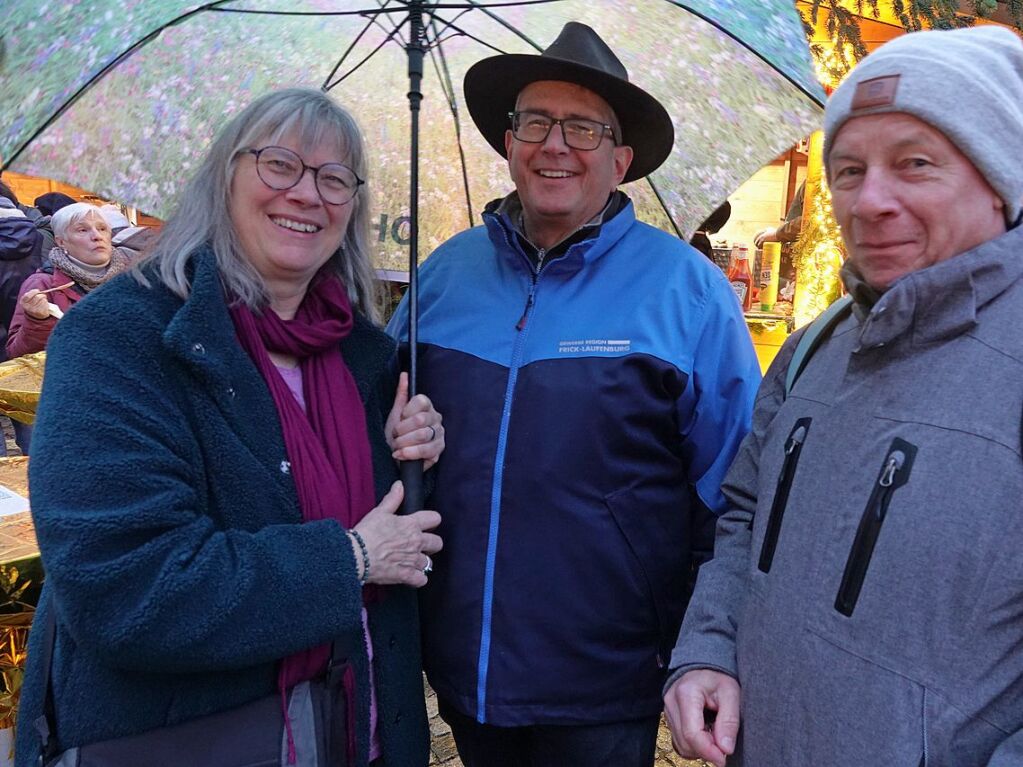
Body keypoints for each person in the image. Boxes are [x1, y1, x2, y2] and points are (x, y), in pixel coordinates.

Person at [15, 88, 445, 767]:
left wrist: (416, 455)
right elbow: (128, 589)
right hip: (182, 739)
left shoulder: (368, 360)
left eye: (335, 178)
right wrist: (351, 557)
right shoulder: (120, 339)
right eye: (280, 164)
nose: (307, 194)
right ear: (224, 178)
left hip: (357, 731)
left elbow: (402, 548)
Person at [388, 22, 760, 767]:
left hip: (608, 673)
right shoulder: (443, 277)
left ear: (619, 158)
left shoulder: (685, 293)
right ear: (508, 142)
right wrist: (395, 431)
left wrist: (705, 642)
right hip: (463, 663)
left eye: (583, 127)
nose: (555, 144)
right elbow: (379, 424)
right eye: (535, 121)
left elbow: (738, 488)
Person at [664, 26, 1023, 767]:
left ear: (999, 178)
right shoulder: (812, 349)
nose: (869, 201)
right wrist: (707, 648)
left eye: (914, 163)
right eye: (849, 170)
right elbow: (743, 514)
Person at [5, 202, 134, 358]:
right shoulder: (42, 285)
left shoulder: (133, 279)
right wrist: (37, 321)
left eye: (102, 229)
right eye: (82, 230)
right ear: (61, 241)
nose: (97, 236)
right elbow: (17, 354)